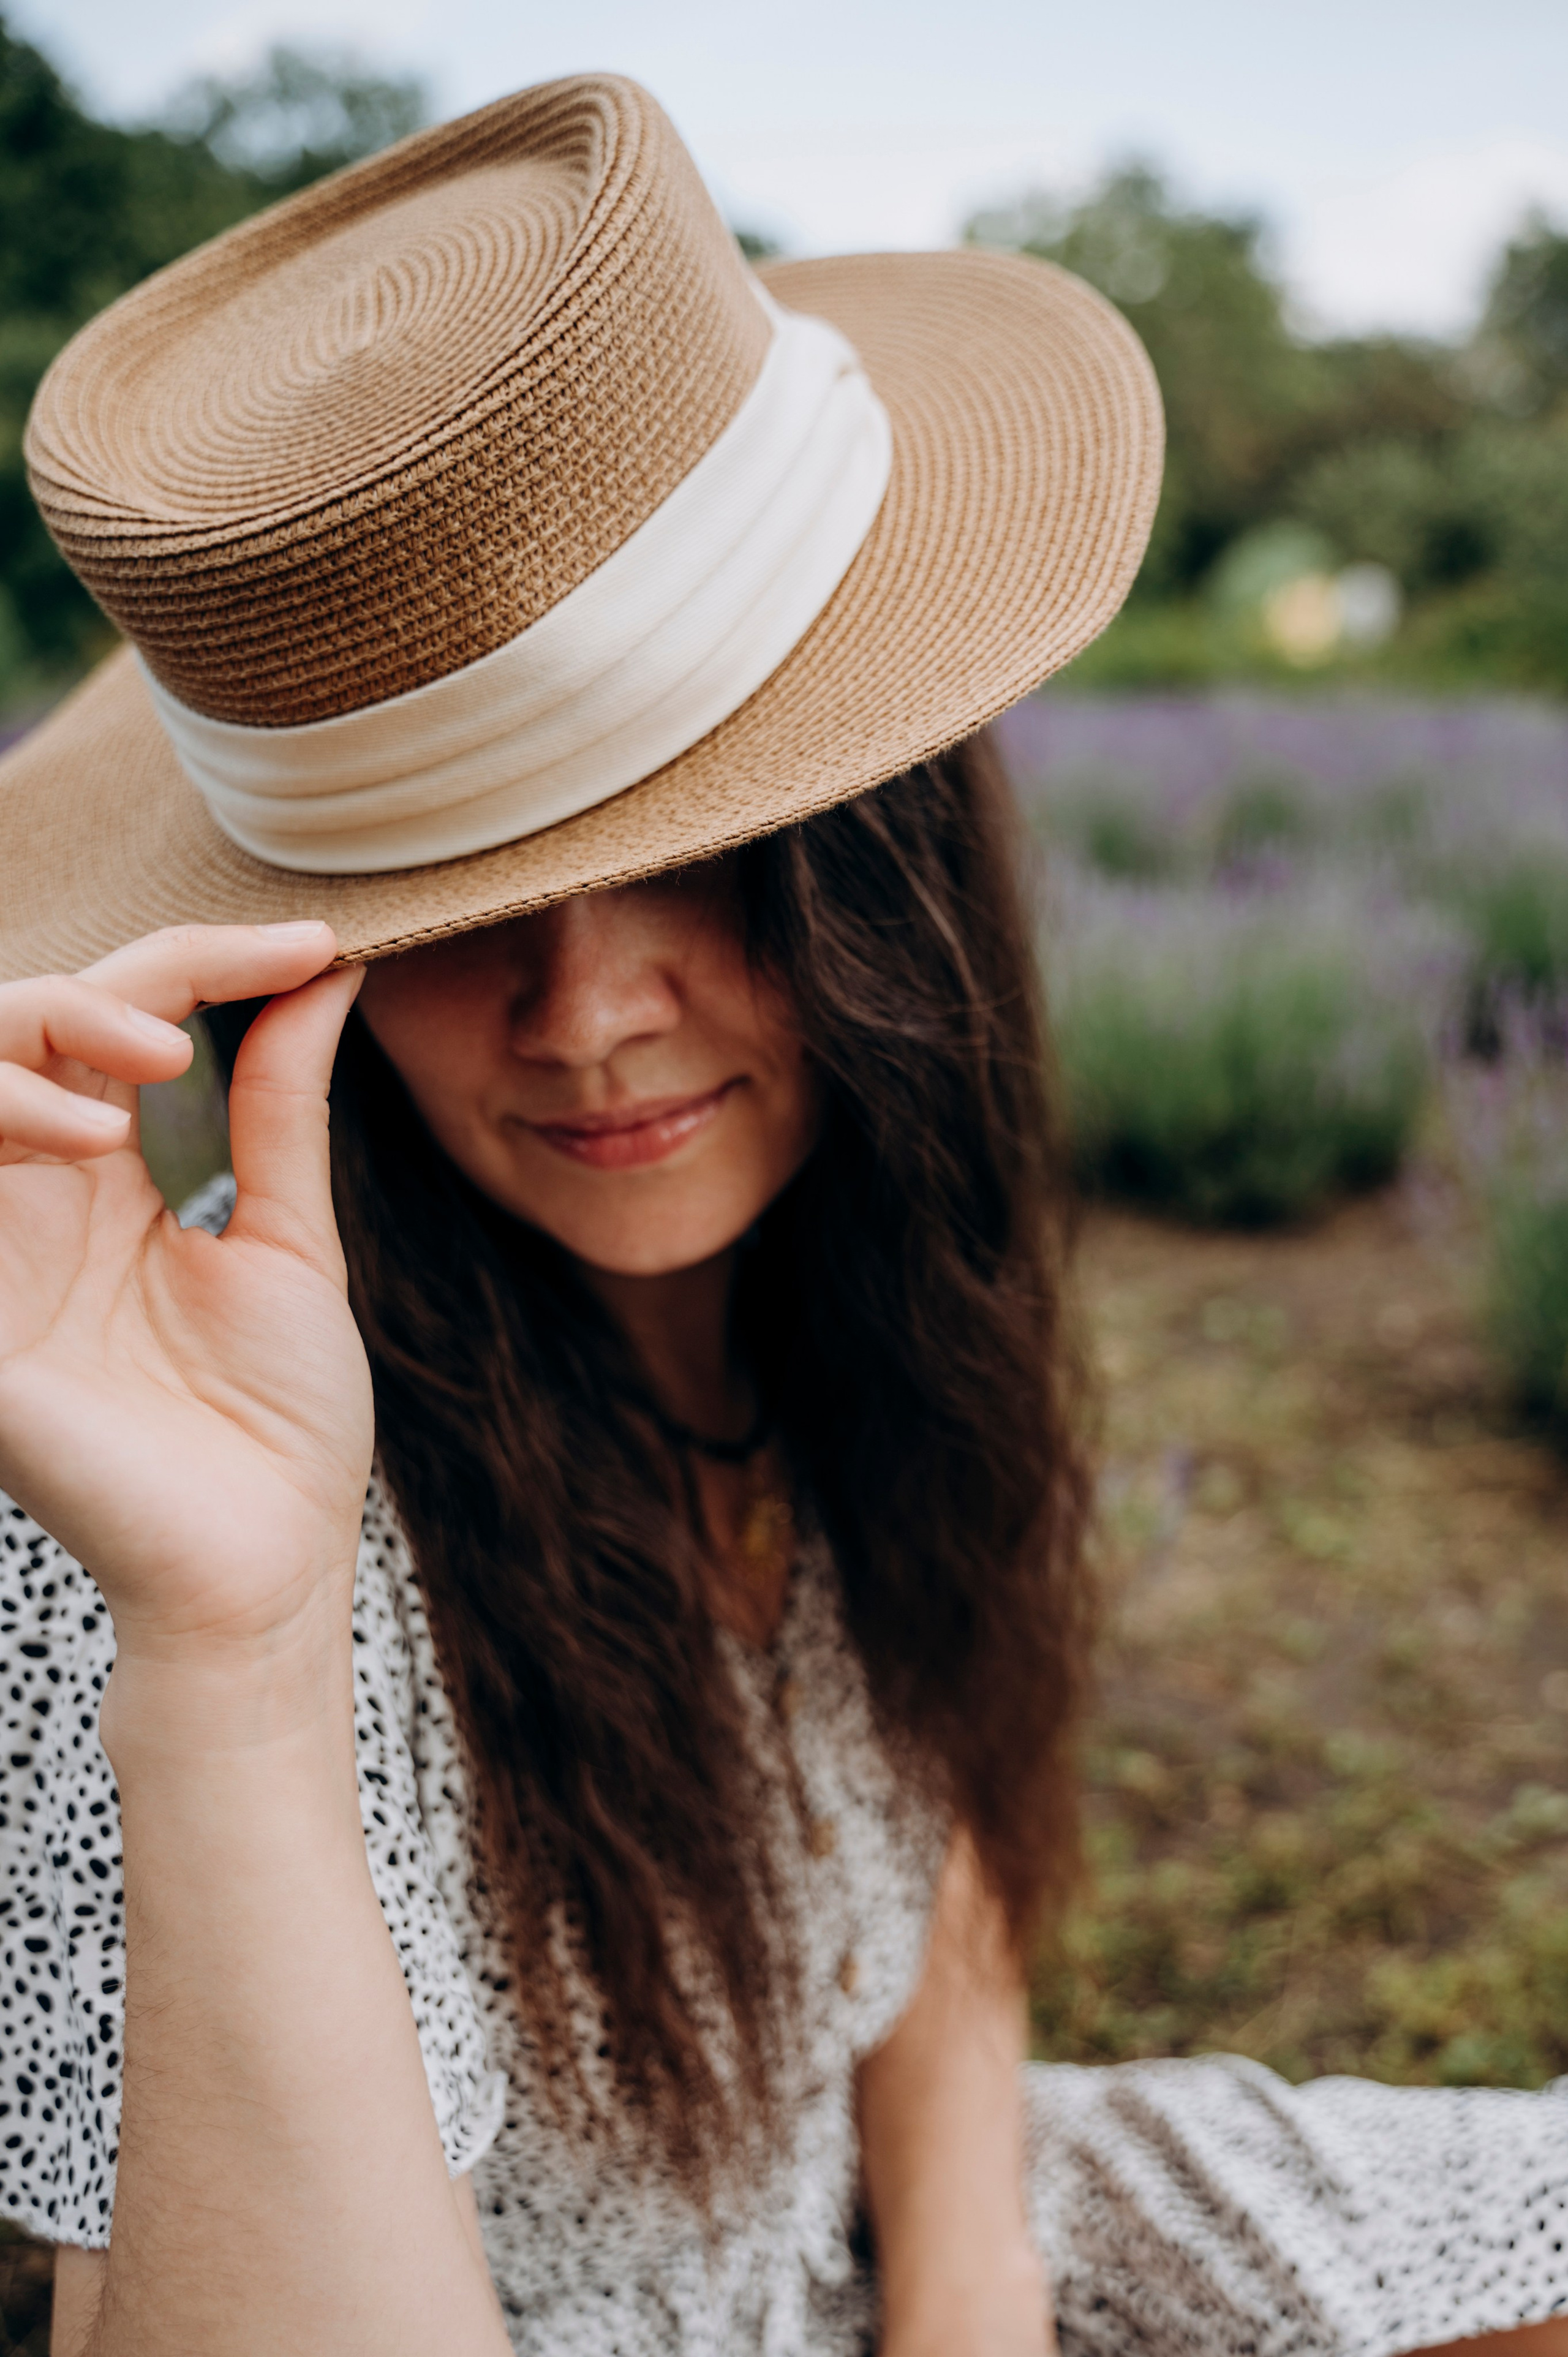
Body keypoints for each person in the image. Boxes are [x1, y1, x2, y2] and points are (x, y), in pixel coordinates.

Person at [0, 70, 1561, 2357]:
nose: (597, 1015)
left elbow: (930, 1863)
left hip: (852, 2227)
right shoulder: (181, 1538)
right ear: (277, 951)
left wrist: (967, 2294)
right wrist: (225, 1656)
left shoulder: (852, 1264)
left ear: (891, 837)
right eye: (452, 909)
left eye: (716, 850)